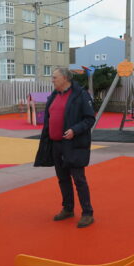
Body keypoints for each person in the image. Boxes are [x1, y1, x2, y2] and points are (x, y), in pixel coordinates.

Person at [34, 67, 96, 228]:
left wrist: (75, 130)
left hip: (73, 144)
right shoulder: (54, 95)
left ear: (65, 78)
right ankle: (68, 208)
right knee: (63, 179)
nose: (52, 80)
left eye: (54, 77)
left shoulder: (80, 95)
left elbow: (90, 119)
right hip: (56, 144)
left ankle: (87, 213)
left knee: (79, 179)